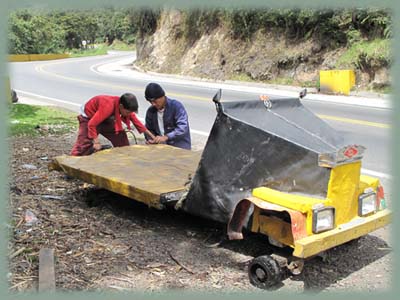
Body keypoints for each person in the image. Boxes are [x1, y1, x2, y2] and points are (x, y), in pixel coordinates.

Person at [70, 93, 155, 156]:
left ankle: (124, 155)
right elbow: (91, 124)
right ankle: (71, 164)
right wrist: (96, 142)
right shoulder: (108, 106)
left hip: (105, 119)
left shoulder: (126, 108)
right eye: (128, 112)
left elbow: (137, 123)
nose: (129, 114)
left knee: (120, 136)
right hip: (89, 118)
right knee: (83, 144)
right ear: (121, 106)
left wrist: (153, 137)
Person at [144, 83, 191, 150]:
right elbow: (148, 129)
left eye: (155, 101)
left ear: (162, 96)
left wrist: (166, 137)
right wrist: (151, 140)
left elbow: (182, 127)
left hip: (179, 148)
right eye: (150, 102)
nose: (153, 104)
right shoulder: (151, 111)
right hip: (162, 148)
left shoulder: (176, 106)